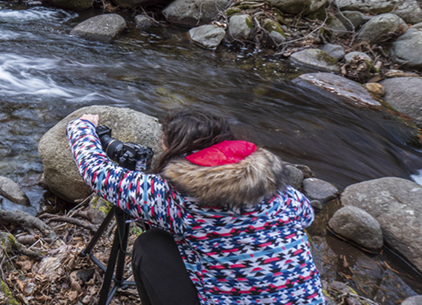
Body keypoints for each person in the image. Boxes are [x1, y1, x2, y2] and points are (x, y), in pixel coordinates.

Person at [66, 108, 324, 305]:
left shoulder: (179, 198)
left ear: (178, 151)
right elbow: (306, 215)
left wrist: (81, 126)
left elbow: (98, 174)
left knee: (150, 244)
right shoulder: (275, 185)